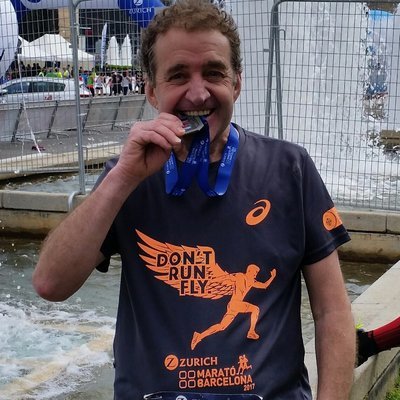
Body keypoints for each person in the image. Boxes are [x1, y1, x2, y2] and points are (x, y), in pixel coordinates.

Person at [32, 1, 355, 399]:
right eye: (178, 75)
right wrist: (122, 179)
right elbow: (50, 283)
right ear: (152, 91)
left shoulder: (290, 168)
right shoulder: (127, 177)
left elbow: (331, 310)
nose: (199, 92)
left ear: (237, 83)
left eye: (214, 73)